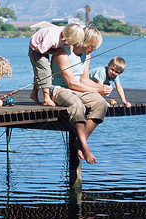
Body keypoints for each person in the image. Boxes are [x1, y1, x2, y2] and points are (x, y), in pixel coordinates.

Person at [51, 26, 113, 164]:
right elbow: (71, 83)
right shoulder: (63, 54)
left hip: (78, 89)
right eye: (92, 45)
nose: (94, 49)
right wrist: (97, 91)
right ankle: (85, 147)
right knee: (77, 105)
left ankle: (79, 143)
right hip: (59, 89)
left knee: (101, 103)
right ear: (84, 41)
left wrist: (101, 87)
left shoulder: (87, 55)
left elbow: (84, 80)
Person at [28, 23, 84, 106]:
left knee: (40, 72)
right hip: (36, 48)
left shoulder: (64, 33)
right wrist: (54, 51)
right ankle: (46, 98)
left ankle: (33, 94)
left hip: (46, 46)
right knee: (44, 70)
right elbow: (39, 49)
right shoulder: (52, 39)